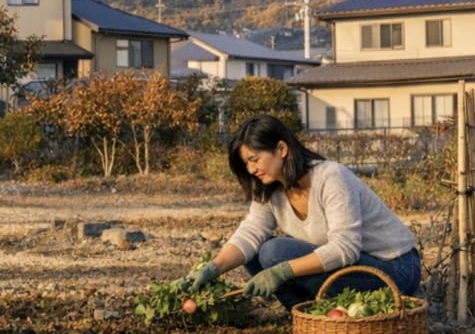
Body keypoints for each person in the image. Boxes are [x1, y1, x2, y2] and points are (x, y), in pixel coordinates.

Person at [178, 114, 421, 309]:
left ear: (281, 149)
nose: (251, 169)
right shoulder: (270, 188)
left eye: (255, 159)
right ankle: (301, 311)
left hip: (394, 269)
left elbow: (345, 248)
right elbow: (250, 232)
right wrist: (213, 269)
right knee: (253, 252)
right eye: (246, 164)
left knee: (274, 252)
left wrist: (282, 271)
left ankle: (308, 308)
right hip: (353, 268)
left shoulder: (331, 177)